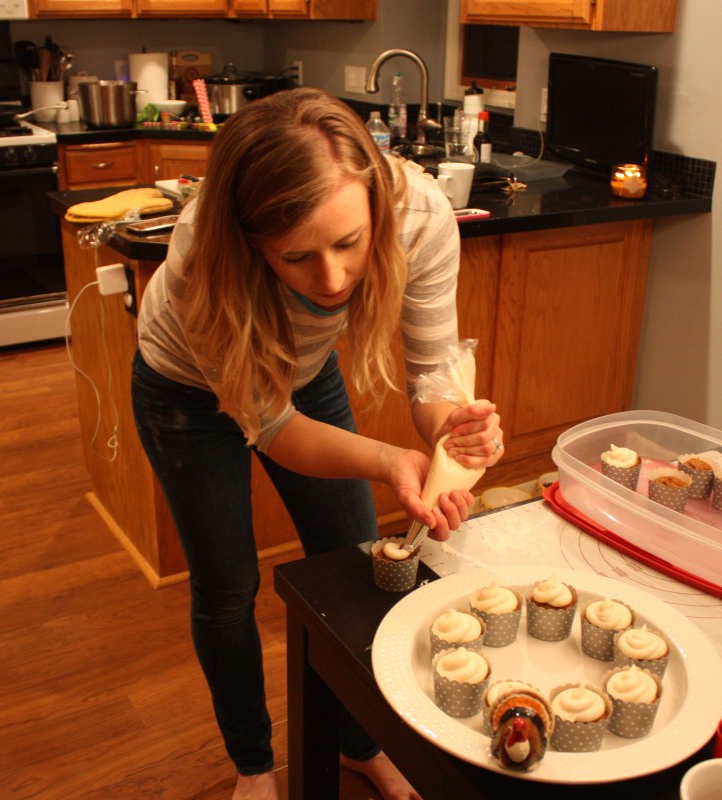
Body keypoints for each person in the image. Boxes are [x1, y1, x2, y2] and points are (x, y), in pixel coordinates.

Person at [131, 87, 505, 800]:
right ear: (250, 241)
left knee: (359, 565)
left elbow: (431, 375)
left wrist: (452, 429)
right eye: (297, 257)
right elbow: (272, 430)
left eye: (349, 244)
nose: (331, 281)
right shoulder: (198, 261)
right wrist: (388, 459)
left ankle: (362, 742)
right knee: (228, 586)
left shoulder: (422, 216)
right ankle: (251, 767)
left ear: (377, 211)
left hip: (301, 371)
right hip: (183, 391)